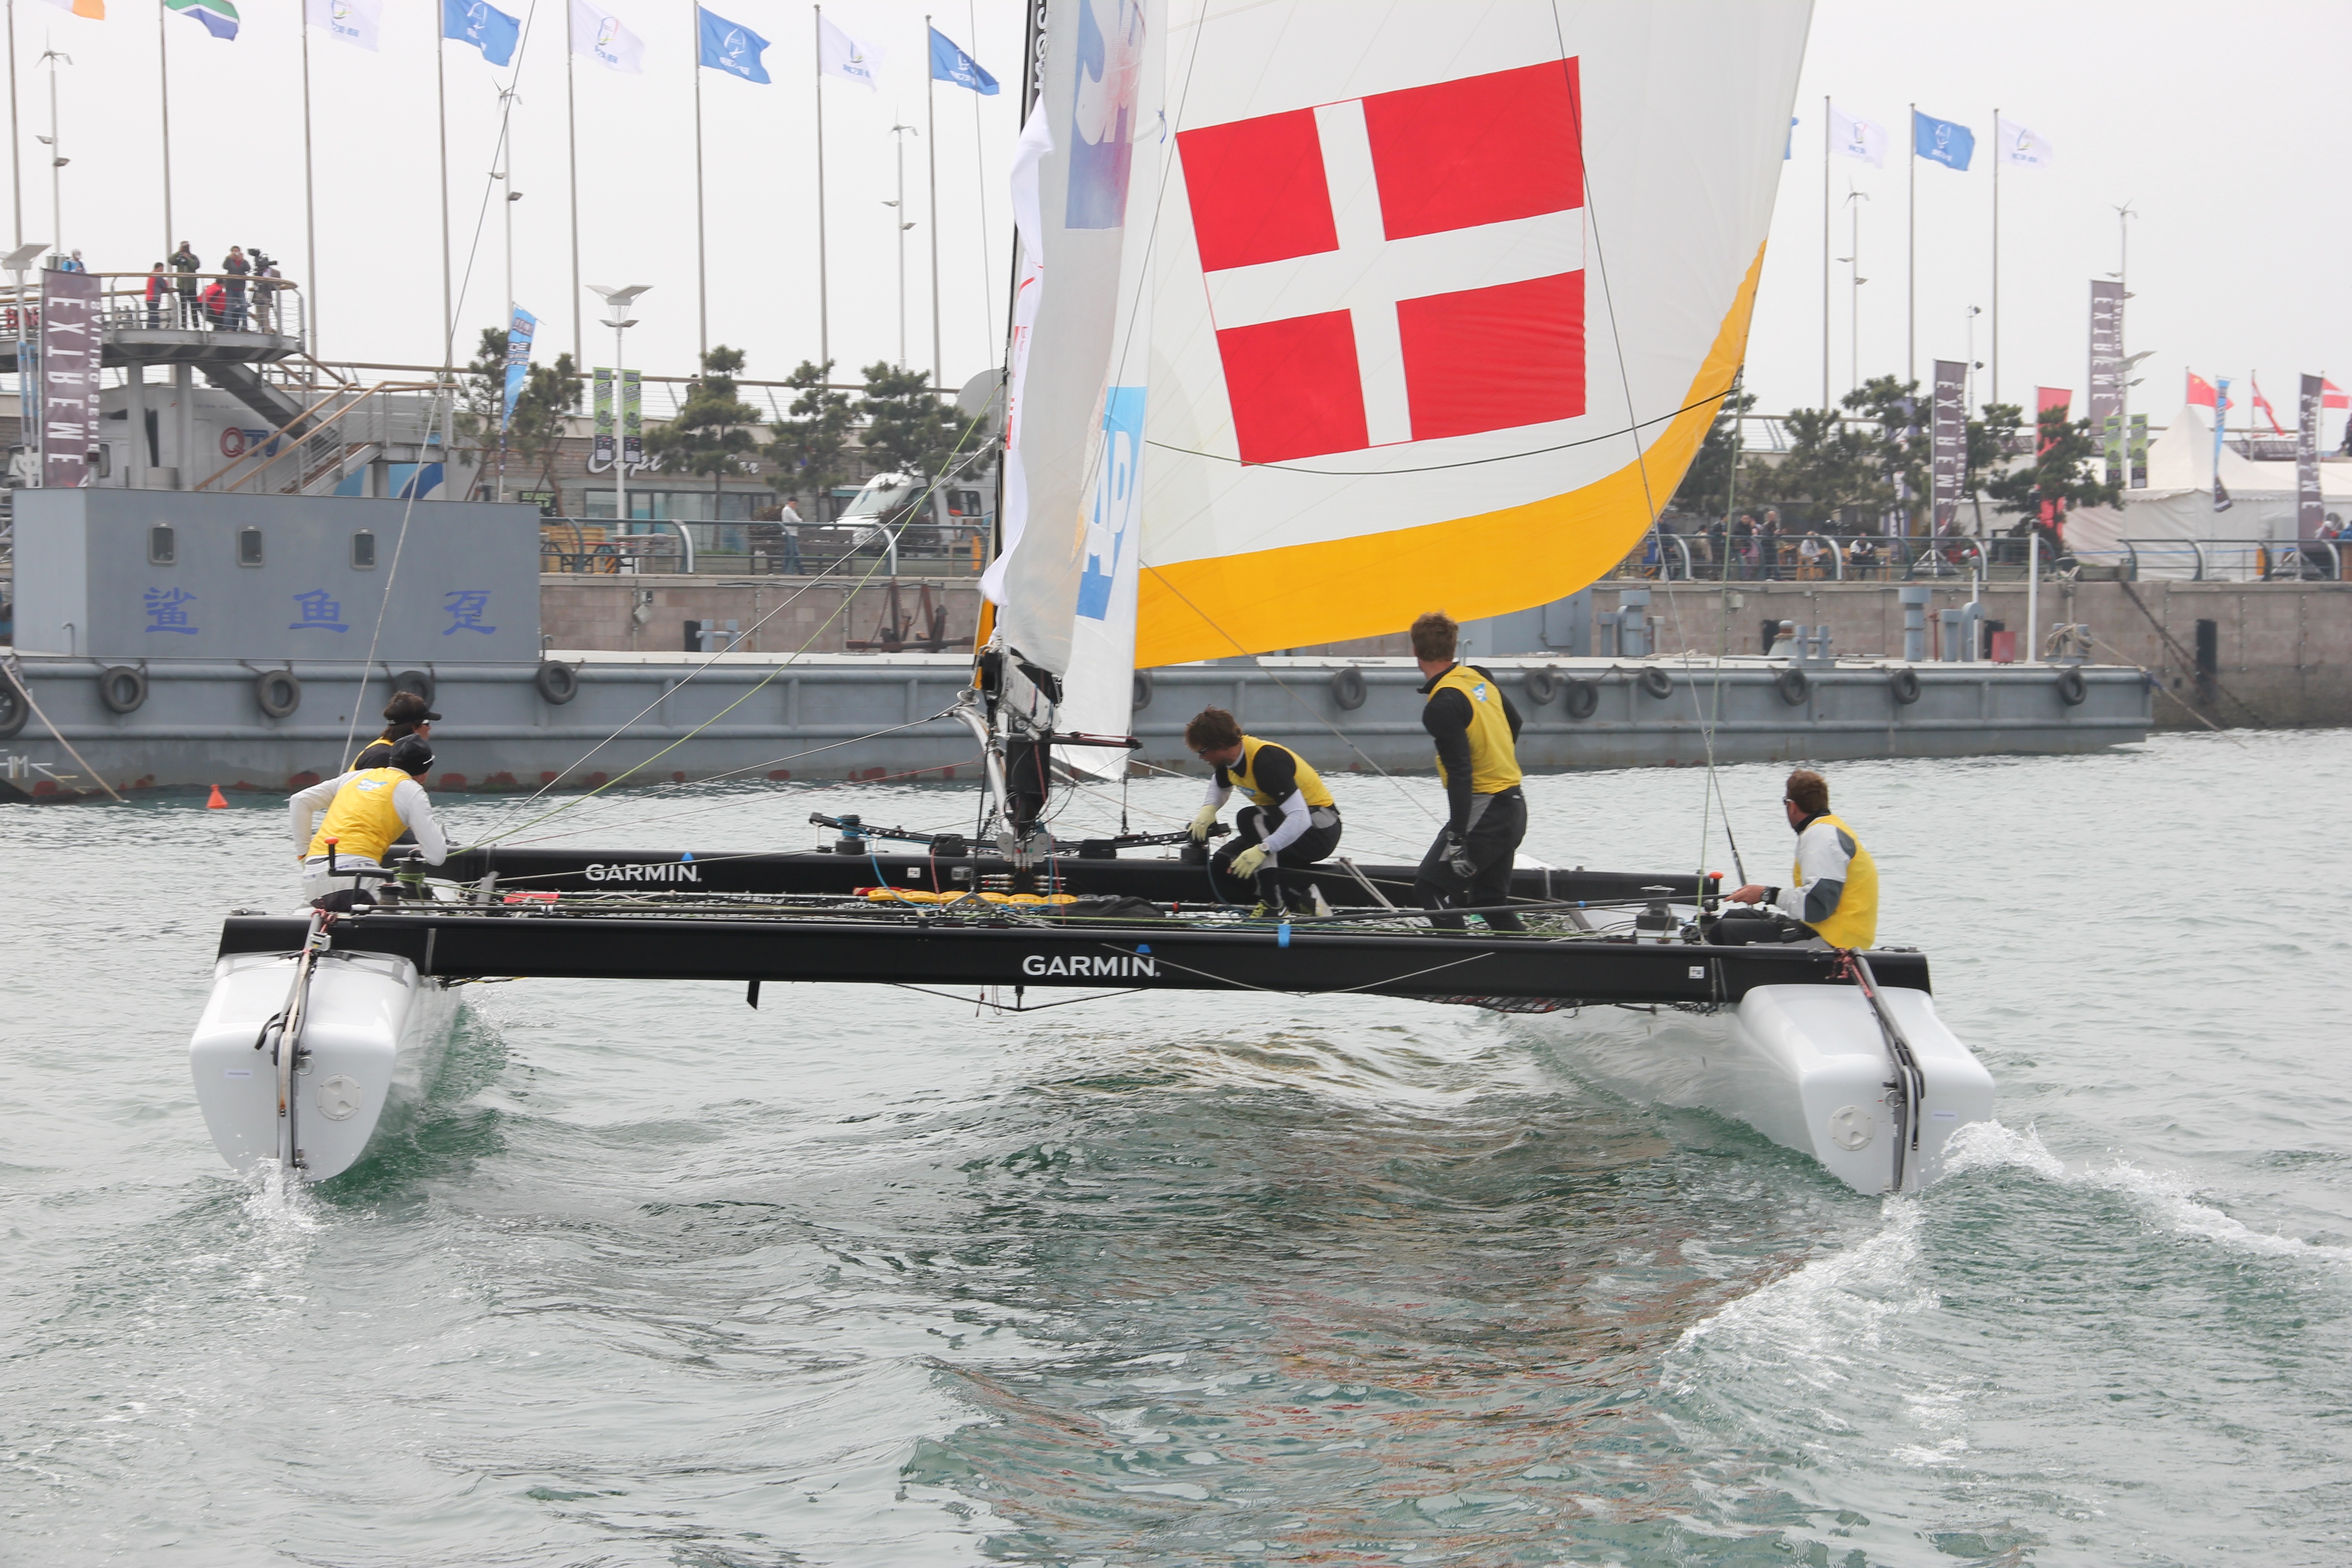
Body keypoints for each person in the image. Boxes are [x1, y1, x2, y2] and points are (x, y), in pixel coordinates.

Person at [1410, 611, 1528, 932]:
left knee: (1429, 887)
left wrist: (1458, 837)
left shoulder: (1441, 705)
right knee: (1488, 901)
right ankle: (1529, 968)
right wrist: (1496, 757)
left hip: (1486, 809)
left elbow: (1460, 773)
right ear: (1453, 648)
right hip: (1514, 804)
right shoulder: (1478, 677)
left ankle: (1455, 961)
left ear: (1416, 653)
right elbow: (1515, 723)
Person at [1184, 706, 1343, 913]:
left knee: (1249, 817)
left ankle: (1273, 905)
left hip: (1320, 829)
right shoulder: (1228, 762)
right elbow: (1220, 784)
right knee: (1223, 864)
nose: (1201, 757)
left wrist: (1263, 849)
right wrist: (1208, 811)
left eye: (1203, 752)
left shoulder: (1267, 762)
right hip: (1285, 826)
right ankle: (1302, 900)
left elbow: (1300, 818)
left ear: (1221, 745)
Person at [1721, 768, 1878, 949]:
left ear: (1792, 806)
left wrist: (1767, 894)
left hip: (1837, 942)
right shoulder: (1830, 829)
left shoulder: (1822, 836)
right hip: (1829, 930)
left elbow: (1815, 907)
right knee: (1735, 918)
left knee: (1726, 931)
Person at [288, 735, 448, 908]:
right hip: (359, 878)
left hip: (313, 878)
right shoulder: (412, 790)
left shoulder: (355, 777)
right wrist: (423, 850)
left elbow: (300, 801)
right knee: (411, 905)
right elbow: (437, 857)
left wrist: (304, 855)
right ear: (425, 772)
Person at [351, 690, 441, 769]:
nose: (430, 728)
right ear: (414, 728)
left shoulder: (387, 750)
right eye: (427, 723)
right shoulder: (383, 757)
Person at [171, 241, 201, 327]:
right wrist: (179, 252)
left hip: (192, 286)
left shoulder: (193, 257)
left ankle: (196, 326)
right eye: (184, 247)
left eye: (186, 247)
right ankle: (184, 325)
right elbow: (171, 260)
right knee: (183, 307)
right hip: (182, 285)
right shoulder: (179, 258)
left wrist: (188, 258)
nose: (185, 248)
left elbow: (195, 266)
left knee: (194, 307)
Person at [221, 246, 250, 330]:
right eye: (234, 252)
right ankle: (228, 327)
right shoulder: (229, 261)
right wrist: (228, 258)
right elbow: (225, 267)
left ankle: (244, 327)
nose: (236, 253)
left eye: (237, 251)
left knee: (244, 307)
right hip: (231, 288)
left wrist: (243, 260)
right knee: (229, 308)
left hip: (240, 289)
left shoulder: (243, 262)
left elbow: (248, 268)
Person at [778, 498, 804, 574]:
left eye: (796, 504)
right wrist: (800, 520)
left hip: (791, 534)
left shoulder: (791, 510)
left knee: (789, 553)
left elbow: (797, 520)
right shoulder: (788, 510)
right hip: (790, 535)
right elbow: (797, 520)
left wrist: (799, 520)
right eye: (794, 504)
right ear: (789, 502)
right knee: (794, 552)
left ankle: (786, 571)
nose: (795, 505)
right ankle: (801, 571)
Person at [143, 263, 167, 329]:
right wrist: (166, 282)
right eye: (162, 268)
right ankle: (152, 330)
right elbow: (165, 285)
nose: (163, 271)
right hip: (153, 298)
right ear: (159, 268)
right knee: (154, 316)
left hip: (149, 298)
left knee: (152, 315)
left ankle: (150, 329)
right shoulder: (157, 275)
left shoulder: (152, 275)